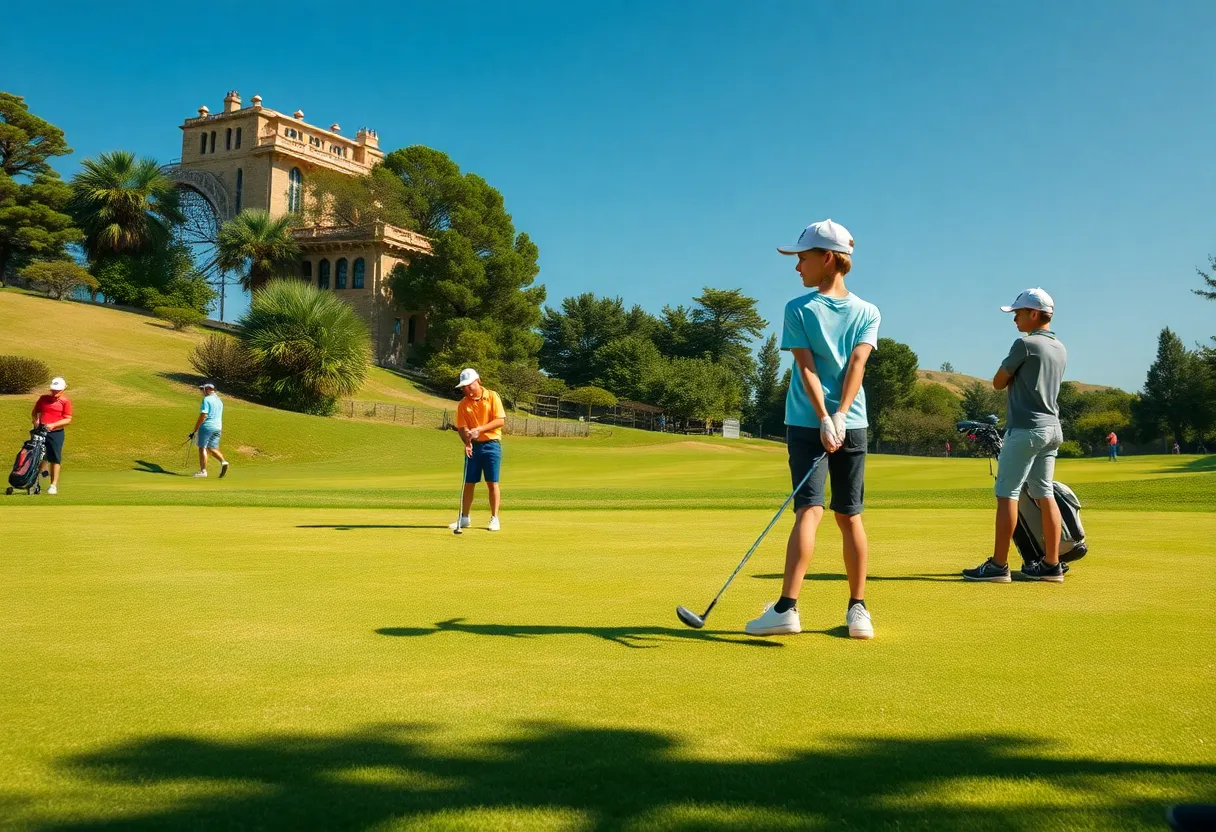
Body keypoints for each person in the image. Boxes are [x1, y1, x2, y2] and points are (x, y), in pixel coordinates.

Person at [746, 219, 880, 640]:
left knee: (810, 511)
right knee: (850, 517)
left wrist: (823, 417)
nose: (797, 267)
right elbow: (856, 366)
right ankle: (858, 612)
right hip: (852, 425)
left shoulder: (797, 308)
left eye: (802, 258)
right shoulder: (869, 311)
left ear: (827, 258)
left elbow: (806, 367)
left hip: (807, 423)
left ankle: (787, 609)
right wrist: (840, 415)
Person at [964, 288, 1068, 583]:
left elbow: (998, 382)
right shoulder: (1060, 347)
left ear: (1034, 314)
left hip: (1026, 429)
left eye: (1018, 314)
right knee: (1043, 492)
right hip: (1052, 428)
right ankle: (1051, 564)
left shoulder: (1025, 345)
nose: (1015, 320)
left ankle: (998, 566)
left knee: (1006, 494)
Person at [450, 368, 506, 532]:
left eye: (469, 386)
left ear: (478, 381)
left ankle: (494, 518)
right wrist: (467, 441)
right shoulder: (463, 405)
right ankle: (465, 518)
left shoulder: (492, 396)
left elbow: (500, 420)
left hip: (492, 444)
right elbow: (461, 427)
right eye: (464, 387)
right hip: (474, 447)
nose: (466, 389)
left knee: (492, 482)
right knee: (469, 483)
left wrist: (479, 430)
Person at [31, 377, 72, 495]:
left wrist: (53, 425)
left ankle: (53, 485)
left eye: (58, 390)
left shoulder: (65, 401)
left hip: (56, 432)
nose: (55, 392)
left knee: (55, 458)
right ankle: (38, 478)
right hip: (40, 430)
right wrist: (36, 420)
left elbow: (68, 419)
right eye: (53, 390)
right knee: (36, 455)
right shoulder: (43, 399)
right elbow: (35, 412)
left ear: (63, 389)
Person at [189, 382, 228, 478]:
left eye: (204, 389)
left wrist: (195, 429)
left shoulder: (206, 399)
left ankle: (203, 471)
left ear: (209, 389)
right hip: (218, 427)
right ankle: (224, 461)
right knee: (211, 448)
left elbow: (204, 415)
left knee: (202, 448)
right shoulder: (220, 401)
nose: (202, 391)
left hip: (207, 426)